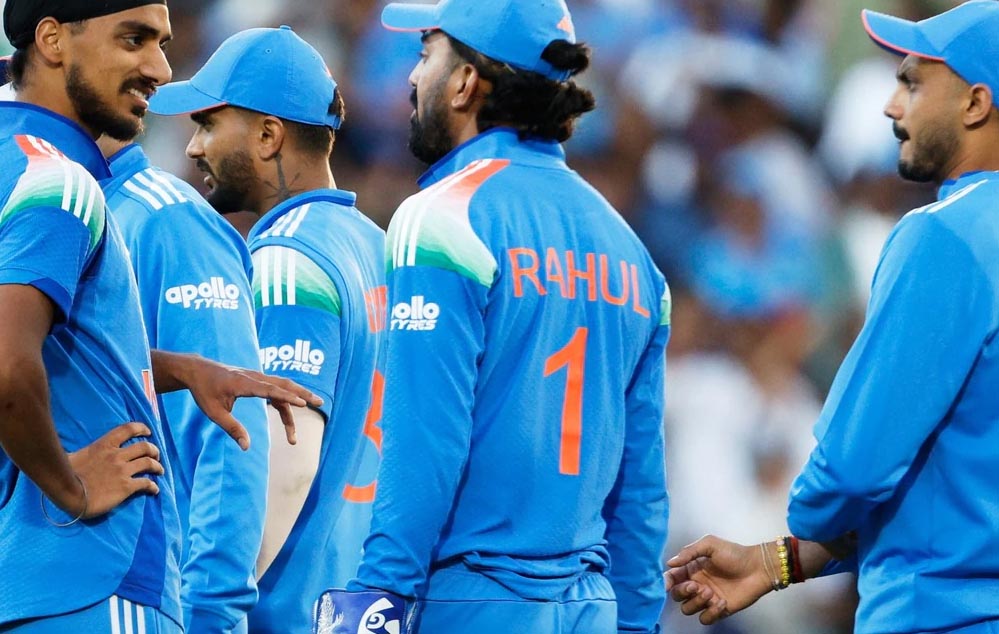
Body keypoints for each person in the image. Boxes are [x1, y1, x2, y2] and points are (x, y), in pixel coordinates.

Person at [318, 1, 672, 632]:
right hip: (589, 608)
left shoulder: (440, 217)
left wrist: (376, 600)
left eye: (425, 54)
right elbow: (640, 487)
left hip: (471, 600)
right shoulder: (633, 252)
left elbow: (425, 441)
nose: (411, 76)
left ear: (464, 83)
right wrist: (638, 623)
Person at [665, 2, 999, 633]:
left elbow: (853, 470)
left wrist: (805, 522)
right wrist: (776, 562)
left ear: (975, 103)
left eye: (912, 84)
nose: (891, 107)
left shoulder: (946, 235)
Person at [0, 2, 320, 631]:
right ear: (53, 40)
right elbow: (9, 365)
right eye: (134, 40)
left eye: (162, 43)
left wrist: (173, 368)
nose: (160, 68)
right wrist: (70, 487)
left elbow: (46, 347)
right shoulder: (58, 182)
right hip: (97, 578)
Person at [148, 26, 387, 633]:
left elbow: (285, 462)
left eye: (208, 124)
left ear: (267, 135)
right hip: (362, 607)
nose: (194, 147)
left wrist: (209, 611)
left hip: (286, 609)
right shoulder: (378, 248)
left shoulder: (286, 260)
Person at [98, 133, 269, 633]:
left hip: (148, 596)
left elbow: (230, 434)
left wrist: (211, 612)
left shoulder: (165, 218)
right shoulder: (49, 207)